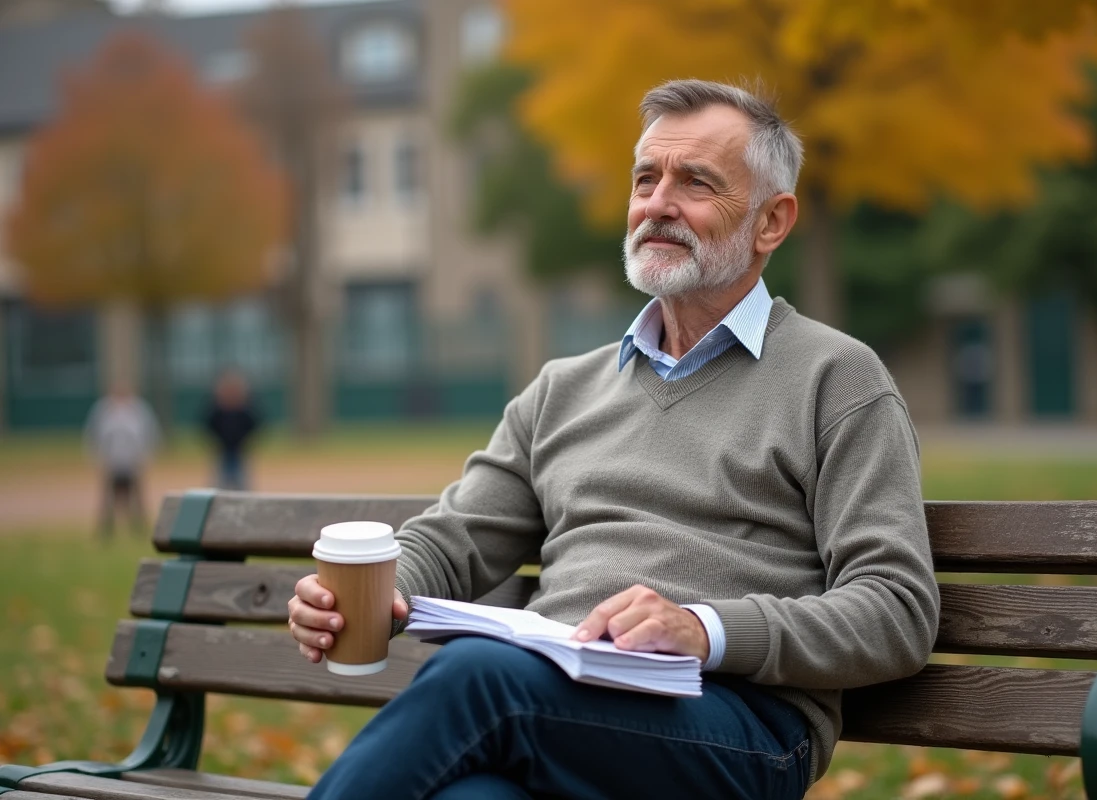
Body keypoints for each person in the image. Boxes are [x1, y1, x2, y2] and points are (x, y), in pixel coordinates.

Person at [289, 79, 939, 799]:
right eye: (645, 179)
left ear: (771, 221)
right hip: (552, 710)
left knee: (477, 676)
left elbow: (896, 610)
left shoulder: (837, 379)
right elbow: (452, 540)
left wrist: (702, 627)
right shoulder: (562, 391)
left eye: (695, 182)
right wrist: (377, 592)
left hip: (737, 729)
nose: (658, 203)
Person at [84, 381, 159, 538]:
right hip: (112, 463)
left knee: (137, 501)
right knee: (109, 501)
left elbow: (150, 434)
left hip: (132, 464)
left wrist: (145, 457)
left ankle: (139, 530)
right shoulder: (103, 410)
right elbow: (93, 435)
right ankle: (106, 531)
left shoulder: (139, 410)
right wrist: (97, 458)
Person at [202, 369, 260, 491]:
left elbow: (254, 425)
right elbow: (208, 425)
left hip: (239, 451)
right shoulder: (217, 411)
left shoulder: (244, 411)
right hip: (222, 451)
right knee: (219, 482)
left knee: (241, 482)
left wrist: (245, 441)